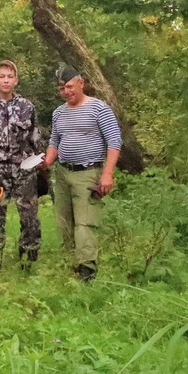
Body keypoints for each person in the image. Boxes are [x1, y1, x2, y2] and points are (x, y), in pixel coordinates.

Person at [44, 66, 121, 281]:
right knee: (63, 221)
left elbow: (114, 142)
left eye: (69, 86)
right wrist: (46, 161)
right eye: (61, 88)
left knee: (85, 223)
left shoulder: (99, 109)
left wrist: (107, 174)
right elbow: (54, 142)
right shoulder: (58, 112)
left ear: (81, 83)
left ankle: (87, 270)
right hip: (62, 173)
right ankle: (69, 263)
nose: (66, 91)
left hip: (88, 172)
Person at [0, 60, 44, 270]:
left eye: (10, 76)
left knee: (30, 216)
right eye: (1, 76)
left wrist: (41, 170)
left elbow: (36, 140)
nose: (6, 80)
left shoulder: (27, 107)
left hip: (24, 169)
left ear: (16, 80)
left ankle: (28, 259)